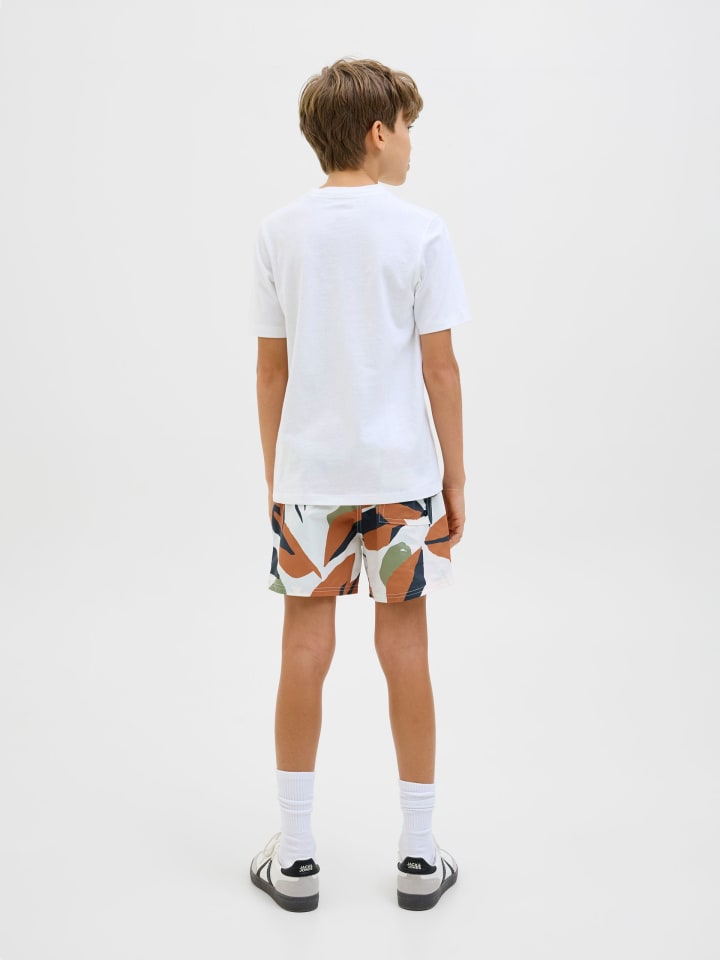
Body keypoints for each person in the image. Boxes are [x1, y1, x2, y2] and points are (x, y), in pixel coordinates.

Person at [249, 57, 471, 912]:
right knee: (405, 652)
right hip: (401, 481)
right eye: (408, 128)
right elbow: (441, 370)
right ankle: (418, 853)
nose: (412, 144)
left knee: (303, 651)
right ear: (379, 133)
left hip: (310, 483)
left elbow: (271, 372)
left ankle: (296, 855)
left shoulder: (279, 232)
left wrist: (279, 480)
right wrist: (455, 479)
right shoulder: (420, 231)